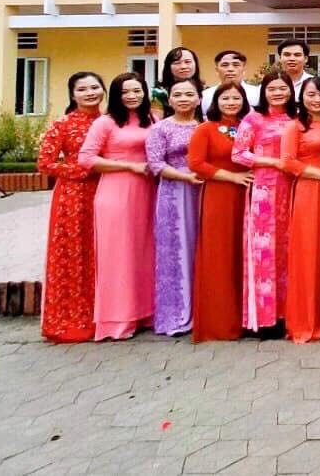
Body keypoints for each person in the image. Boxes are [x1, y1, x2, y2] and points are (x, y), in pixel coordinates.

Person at [79, 72, 155, 340]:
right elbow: (86, 159)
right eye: (126, 92)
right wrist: (129, 165)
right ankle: (116, 320)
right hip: (116, 192)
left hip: (147, 192)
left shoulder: (152, 119)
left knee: (144, 252)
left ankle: (145, 313)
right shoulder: (105, 122)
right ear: (116, 95)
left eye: (137, 91)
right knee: (117, 256)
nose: (132, 96)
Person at [37, 71, 106, 343]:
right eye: (82, 89)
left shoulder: (110, 121)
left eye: (94, 87)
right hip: (73, 197)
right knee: (74, 255)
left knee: (103, 254)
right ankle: (69, 319)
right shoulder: (62, 124)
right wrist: (83, 169)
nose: (90, 93)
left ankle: (105, 314)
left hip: (107, 191)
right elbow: (45, 163)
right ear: (72, 94)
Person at [232, 70, 297, 336]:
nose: (278, 93)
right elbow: (238, 153)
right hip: (264, 192)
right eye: (272, 89)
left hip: (292, 189)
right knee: (263, 253)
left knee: (288, 251)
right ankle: (263, 317)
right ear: (264, 91)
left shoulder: (295, 118)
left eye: (283, 88)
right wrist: (272, 162)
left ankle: (286, 314)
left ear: (291, 91)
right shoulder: (253, 119)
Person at [186, 82, 252, 342]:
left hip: (247, 195)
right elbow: (196, 163)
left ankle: (245, 317)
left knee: (242, 254)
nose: (231, 102)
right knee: (219, 254)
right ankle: (219, 323)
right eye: (226, 98)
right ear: (216, 101)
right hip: (219, 195)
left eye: (237, 98)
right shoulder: (205, 128)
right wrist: (231, 177)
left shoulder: (247, 127)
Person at [280, 77, 320, 343]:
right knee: (308, 254)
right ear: (301, 97)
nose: (317, 99)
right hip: (309, 191)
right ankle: (306, 319)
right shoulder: (295, 126)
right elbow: (288, 162)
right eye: (311, 94)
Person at [146, 78, 203, 336]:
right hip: (174, 191)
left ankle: (201, 308)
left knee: (199, 247)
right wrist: (185, 177)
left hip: (202, 190)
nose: (183, 98)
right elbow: (156, 165)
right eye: (177, 94)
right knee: (176, 249)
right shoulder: (161, 129)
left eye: (189, 94)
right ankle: (176, 315)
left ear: (199, 99)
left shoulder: (204, 126)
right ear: (169, 100)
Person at [151, 46, 203, 119]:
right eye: (177, 63)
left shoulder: (205, 91)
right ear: (168, 67)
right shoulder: (157, 93)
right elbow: (156, 120)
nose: (183, 66)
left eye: (188, 62)